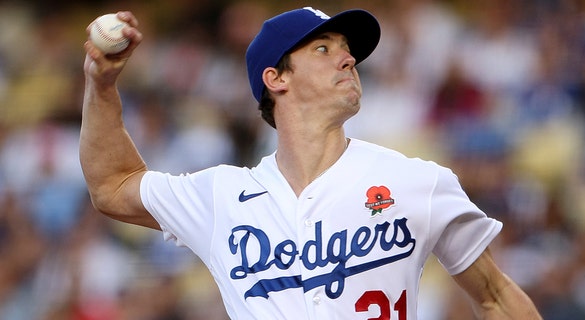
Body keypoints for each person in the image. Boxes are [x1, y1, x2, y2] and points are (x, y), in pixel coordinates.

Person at [80, 7, 542, 319]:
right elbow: (112, 185)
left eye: (347, 50)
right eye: (323, 49)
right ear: (275, 78)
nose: (347, 58)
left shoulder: (417, 182)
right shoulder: (222, 197)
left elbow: (496, 296)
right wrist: (101, 86)